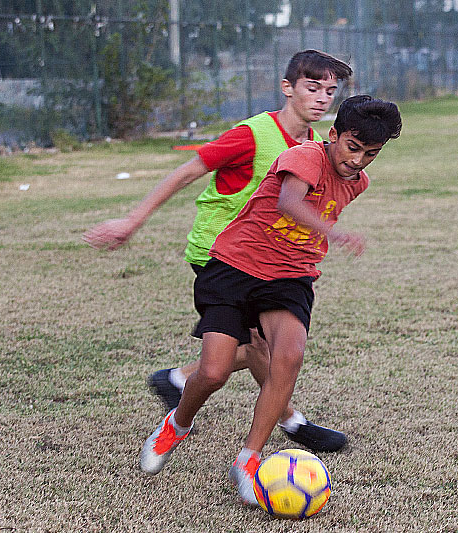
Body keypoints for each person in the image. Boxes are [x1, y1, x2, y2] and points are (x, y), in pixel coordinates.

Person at [83, 50, 353, 452]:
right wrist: (133, 220)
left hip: (266, 259)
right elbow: (189, 170)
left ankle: (179, 380)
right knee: (261, 346)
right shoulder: (253, 135)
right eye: (312, 88)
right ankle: (291, 422)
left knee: (260, 346)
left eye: (329, 92)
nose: (321, 99)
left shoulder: (317, 146)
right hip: (219, 251)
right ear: (287, 88)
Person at [139, 95, 402, 505]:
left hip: (290, 276)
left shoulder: (358, 182)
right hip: (236, 266)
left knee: (289, 354)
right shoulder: (305, 157)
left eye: (372, 154)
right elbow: (289, 202)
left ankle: (248, 458)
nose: (359, 161)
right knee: (213, 372)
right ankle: (178, 422)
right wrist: (333, 234)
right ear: (333, 135)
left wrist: (321, 240)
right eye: (353, 148)